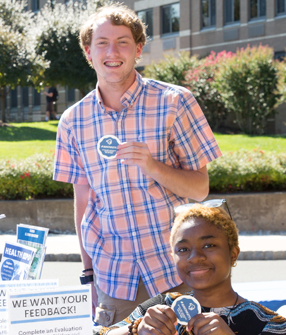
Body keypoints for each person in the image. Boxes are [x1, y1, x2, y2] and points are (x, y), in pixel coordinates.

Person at [52, 4, 222, 326]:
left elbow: (200, 189)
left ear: (138, 49)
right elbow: (83, 204)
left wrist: (154, 166)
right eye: (102, 42)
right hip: (115, 279)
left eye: (123, 42)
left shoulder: (174, 102)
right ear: (88, 52)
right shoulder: (73, 121)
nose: (112, 51)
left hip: (176, 272)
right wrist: (89, 275)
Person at [95, 203, 286, 335]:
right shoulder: (164, 305)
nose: (195, 257)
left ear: (233, 253)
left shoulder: (269, 323)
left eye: (208, 245)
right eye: (183, 249)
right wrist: (134, 330)